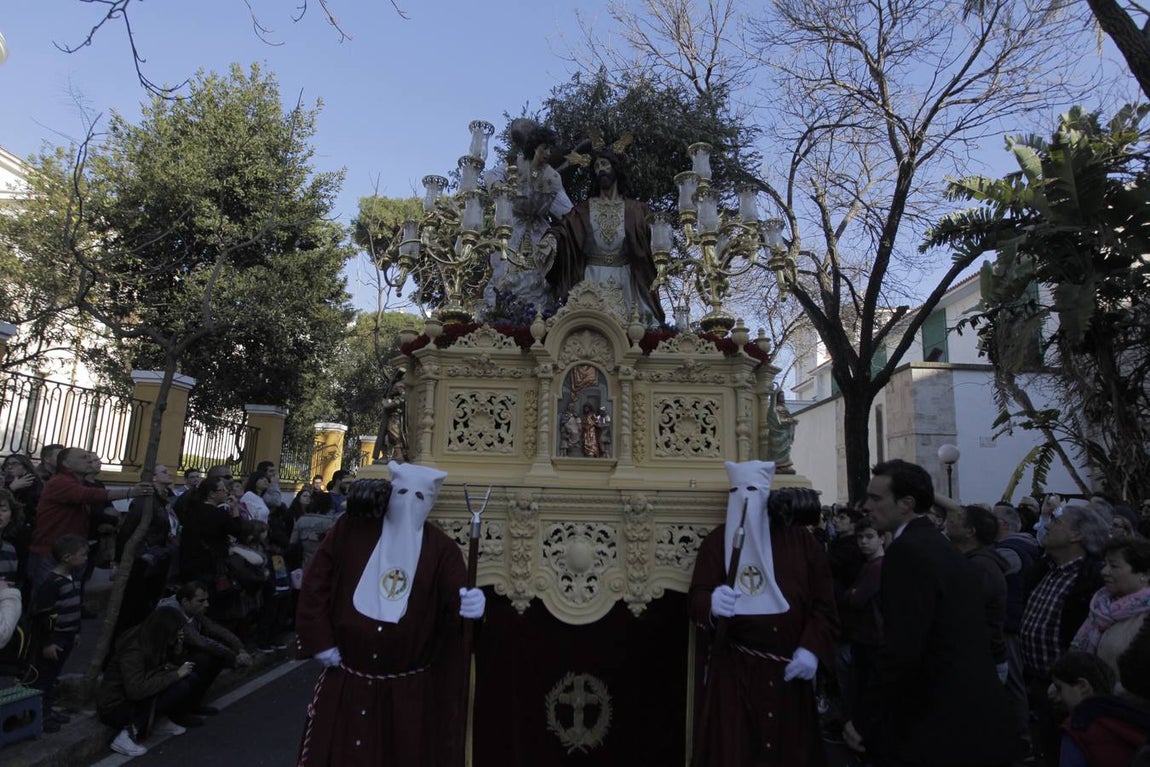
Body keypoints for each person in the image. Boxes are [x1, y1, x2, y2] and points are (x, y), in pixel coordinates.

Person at [294, 465, 487, 766]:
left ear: (430, 503)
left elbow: (456, 604)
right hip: (348, 679)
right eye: (403, 492)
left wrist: (473, 607)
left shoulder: (442, 549)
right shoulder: (352, 530)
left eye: (420, 496)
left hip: (405, 694)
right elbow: (316, 583)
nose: (409, 502)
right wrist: (320, 640)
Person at [844, 459, 1017, 766]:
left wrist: (865, 717)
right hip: (967, 711)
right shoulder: (933, 542)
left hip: (940, 716)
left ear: (906, 504)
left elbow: (903, 646)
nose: (866, 506)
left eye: (876, 498)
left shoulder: (907, 551)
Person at [689, 460, 837, 766]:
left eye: (753, 490)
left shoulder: (802, 542)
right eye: (737, 491)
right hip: (737, 670)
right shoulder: (718, 542)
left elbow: (824, 605)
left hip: (788, 670)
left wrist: (811, 650)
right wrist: (712, 604)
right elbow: (697, 597)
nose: (746, 498)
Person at [1020, 502, 1109, 766]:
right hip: (1040, 681)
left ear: (1076, 535)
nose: (1047, 525)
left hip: (1071, 688)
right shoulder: (1045, 568)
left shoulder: (1093, 577)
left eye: (1057, 522)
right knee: (1047, 746)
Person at [540, 144, 665, 326]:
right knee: (588, 329)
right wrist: (551, 239)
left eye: (605, 164)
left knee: (635, 328)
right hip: (591, 278)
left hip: (626, 279)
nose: (601, 170)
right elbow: (564, 229)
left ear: (615, 168)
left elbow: (653, 240)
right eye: (597, 167)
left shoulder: (636, 209)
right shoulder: (584, 209)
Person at [481, 119, 574, 317]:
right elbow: (490, 175)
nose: (548, 153)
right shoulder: (515, 165)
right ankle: (499, 313)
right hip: (512, 227)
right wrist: (499, 187)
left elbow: (567, 211)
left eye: (550, 149)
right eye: (544, 148)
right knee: (504, 270)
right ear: (534, 147)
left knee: (539, 276)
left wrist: (578, 221)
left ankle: (538, 315)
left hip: (538, 232)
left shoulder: (552, 178)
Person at [30, 448, 150, 590]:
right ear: (66, 463)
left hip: (73, 553)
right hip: (51, 554)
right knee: (48, 596)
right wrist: (131, 492)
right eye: (83, 457)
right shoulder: (60, 482)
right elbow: (89, 495)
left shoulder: (79, 483)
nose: (89, 461)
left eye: (89, 457)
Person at [97, 605, 200, 757]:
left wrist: (177, 648)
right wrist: (175, 675)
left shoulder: (155, 639)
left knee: (189, 678)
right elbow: (135, 690)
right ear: (165, 630)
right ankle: (127, 735)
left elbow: (162, 667)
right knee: (179, 684)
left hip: (136, 694)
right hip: (116, 705)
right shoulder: (135, 648)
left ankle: (156, 722)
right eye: (177, 630)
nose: (180, 633)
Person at [158, 581, 253, 715]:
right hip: (165, 662)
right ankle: (181, 710)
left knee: (214, 659)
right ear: (185, 601)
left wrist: (240, 648)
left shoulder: (191, 609)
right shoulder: (172, 615)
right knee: (204, 660)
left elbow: (214, 628)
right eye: (201, 601)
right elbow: (200, 641)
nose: (206, 604)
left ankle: (194, 704)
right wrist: (234, 658)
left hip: (181, 654)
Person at [1048, 650, 1150, 767]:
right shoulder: (1131, 716)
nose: (1055, 697)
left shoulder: (1076, 729)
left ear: (1083, 686)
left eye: (1059, 688)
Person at [943, 501, 1009, 681]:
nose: (950, 520)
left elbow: (961, 614)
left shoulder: (980, 568)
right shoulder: (974, 562)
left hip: (981, 662)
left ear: (970, 532)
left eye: (959, 519)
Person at [30, 534, 88, 732]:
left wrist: (77, 631)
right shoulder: (52, 583)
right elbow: (43, 614)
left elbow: (75, 607)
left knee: (54, 675)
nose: (85, 558)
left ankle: (48, 709)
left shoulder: (74, 579)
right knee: (44, 677)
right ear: (67, 557)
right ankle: (41, 716)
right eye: (82, 554)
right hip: (55, 638)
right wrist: (47, 642)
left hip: (68, 635)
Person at [1070, 537, 1150, 679]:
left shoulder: (1146, 616)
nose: (1104, 571)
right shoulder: (1099, 605)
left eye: (1114, 566)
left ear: (1145, 574)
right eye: (1105, 564)